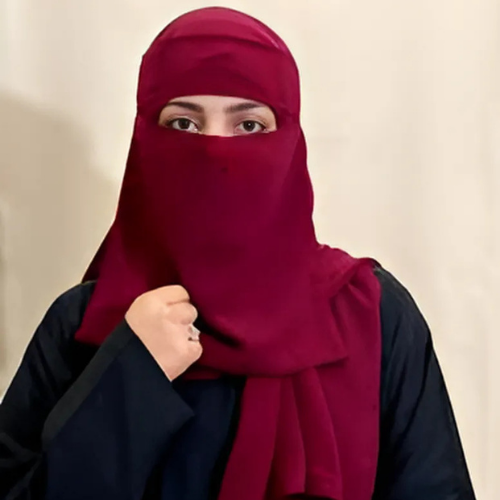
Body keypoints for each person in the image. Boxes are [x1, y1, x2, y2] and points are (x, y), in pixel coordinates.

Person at [0, 7, 476, 500]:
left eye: (249, 125)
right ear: (143, 139)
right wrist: (129, 377)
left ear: (291, 142)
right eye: (183, 123)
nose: (214, 149)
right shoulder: (83, 325)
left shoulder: (371, 315)